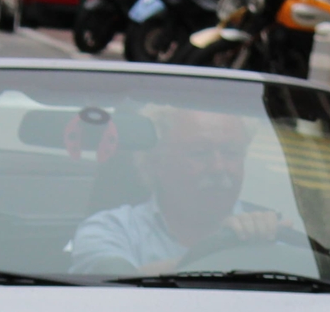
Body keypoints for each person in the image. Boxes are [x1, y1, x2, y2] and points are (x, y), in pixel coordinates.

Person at [68, 106, 290, 275]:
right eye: (200, 152)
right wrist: (229, 256)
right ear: (155, 162)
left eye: (231, 152)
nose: (219, 168)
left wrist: (271, 252)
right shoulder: (111, 230)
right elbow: (113, 290)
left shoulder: (273, 237)